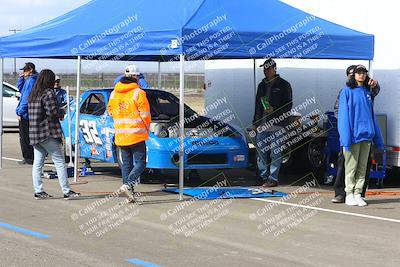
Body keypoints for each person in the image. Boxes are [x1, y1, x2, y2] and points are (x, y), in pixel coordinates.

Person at [28, 69, 80, 200]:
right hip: (47, 133)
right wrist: (61, 112)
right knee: (60, 162)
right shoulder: (48, 93)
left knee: (37, 163)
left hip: (35, 133)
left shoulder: (33, 94)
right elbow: (52, 112)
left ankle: (38, 191)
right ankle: (67, 191)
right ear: (49, 80)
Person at [332, 65, 381, 203]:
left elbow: (372, 107)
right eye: (356, 73)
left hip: (366, 135)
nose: (360, 75)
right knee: (348, 166)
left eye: (363, 73)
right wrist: (346, 135)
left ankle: (359, 193)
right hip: (351, 135)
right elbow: (340, 114)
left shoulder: (367, 92)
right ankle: (345, 193)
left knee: (362, 167)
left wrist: (375, 85)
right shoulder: (346, 91)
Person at [108, 65, 151, 202]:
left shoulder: (114, 93)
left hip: (121, 135)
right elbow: (145, 114)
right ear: (136, 77)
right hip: (136, 134)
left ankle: (129, 193)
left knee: (126, 165)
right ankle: (127, 185)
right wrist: (146, 128)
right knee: (141, 163)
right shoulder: (139, 92)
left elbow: (110, 111)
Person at [252, 58, 293, 187]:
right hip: (262, 125)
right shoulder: (261, 85)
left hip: (277, 124)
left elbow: (288, 105)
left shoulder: (284, 85)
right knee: (261, 152)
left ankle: (273, 178)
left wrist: (274, 110)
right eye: (264, 69)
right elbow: (258, 105)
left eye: (268, 69)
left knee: (275, 153)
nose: (265, 71)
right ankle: (263, 176)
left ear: (274, 69)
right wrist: (255, 123)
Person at [16, 62, 38, 165]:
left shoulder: (31, 81)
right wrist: (21, 79)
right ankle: (31, 156)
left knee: (25, 137)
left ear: (30, 70)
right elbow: (21, 89)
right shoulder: (31, 80)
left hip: (26, 114)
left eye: (25, 70)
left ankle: (28, 157)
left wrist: (20, 112)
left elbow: (25, 98)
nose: (23, 72)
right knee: (30, 136)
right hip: (31, 113)